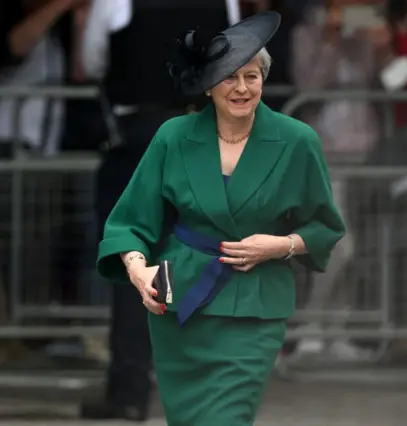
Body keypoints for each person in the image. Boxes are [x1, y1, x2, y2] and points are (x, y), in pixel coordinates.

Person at [95, 10, 345, 425]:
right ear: (209, 85)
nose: (242, 87)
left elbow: (325, 226)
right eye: (230, 76)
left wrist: (281, 246)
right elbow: (131, 221)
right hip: (180, 303)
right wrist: (139, 271)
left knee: (228, 417)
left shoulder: (297, 141)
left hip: (255, 306)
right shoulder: (173, 136)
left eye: (253, 76)